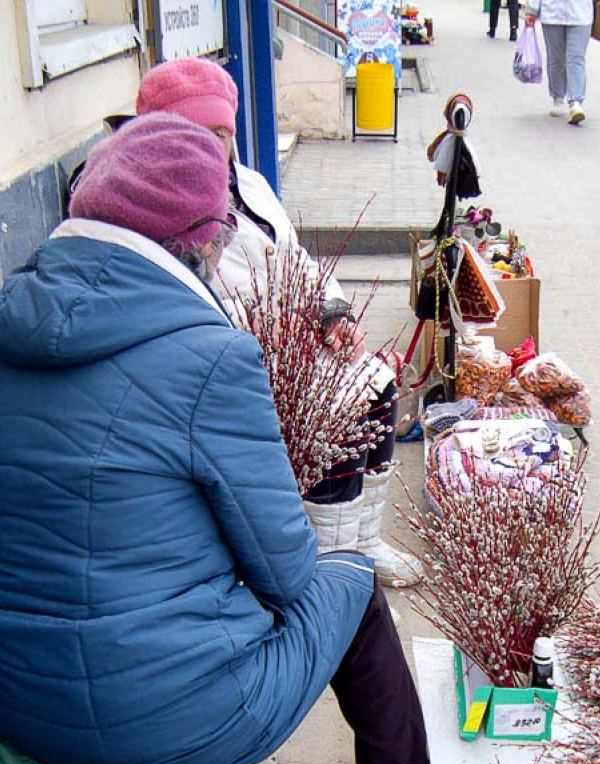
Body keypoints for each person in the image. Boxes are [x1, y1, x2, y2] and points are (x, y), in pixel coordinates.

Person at [0, 114, 433, 764]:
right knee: (351, 581)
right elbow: (291, 573)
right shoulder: (210, 359)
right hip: (168, 722)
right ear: (202, 241)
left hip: (18, 704)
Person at [133, 58, 422, 588]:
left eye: (222, 132)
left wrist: (331, 311)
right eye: (198, 134)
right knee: (331, 413)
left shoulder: (250, 185)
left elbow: (298, 261)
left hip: (293, 347)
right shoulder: (166, 216)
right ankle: (331, 569)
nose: (213, 148)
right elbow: (191, 317)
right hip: (238, 369)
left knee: (377, 386)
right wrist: (271, 339)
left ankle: (361, 543)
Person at [525, 0, 593, 124]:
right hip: (552, 13)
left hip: (581, 13)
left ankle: (575, 102)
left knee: (576, 58)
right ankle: (558, 97)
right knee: (556, 59)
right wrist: (532, 9)